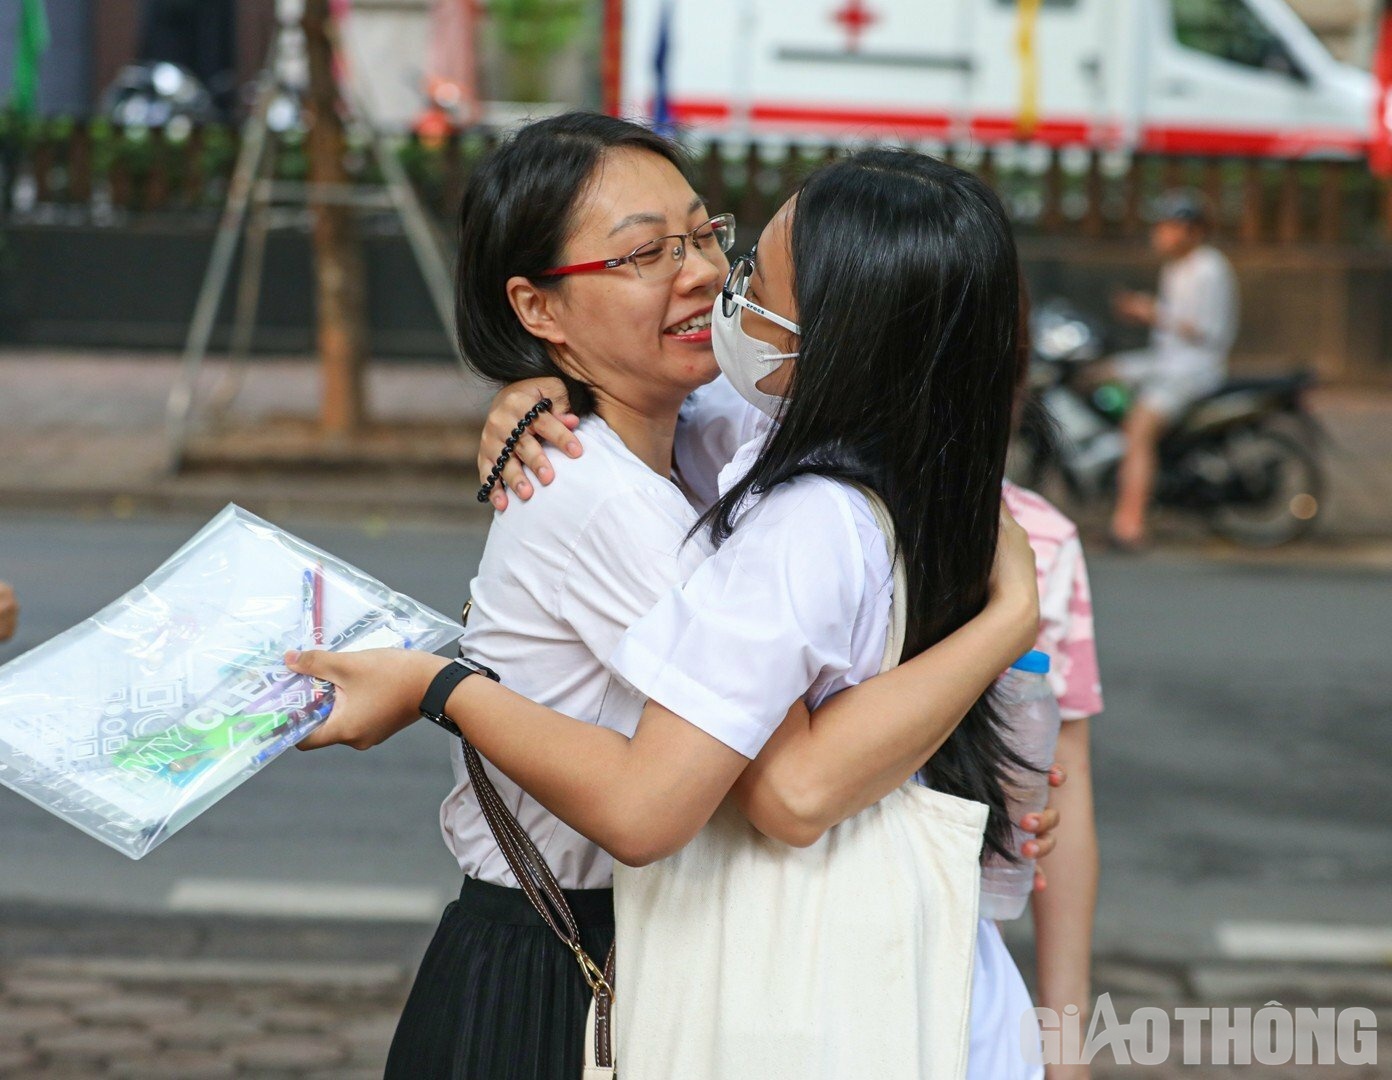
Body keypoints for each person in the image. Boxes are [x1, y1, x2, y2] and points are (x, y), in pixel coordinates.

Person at [289, 127, 1050, 1078]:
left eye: (704, 236)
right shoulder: (604, 493)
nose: (704, 276)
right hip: (563, 969)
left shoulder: (708, 434)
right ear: (537, 304)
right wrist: (432, 685)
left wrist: (536, 382)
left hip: (643, 944)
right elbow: (768, 783)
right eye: (645, 252)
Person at [1108, 189, 1238, 548]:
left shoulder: (1209, 268)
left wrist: (1150, 311)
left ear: (1192, 230)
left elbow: (1203, 330)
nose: (1160, 234)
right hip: (1167, 362)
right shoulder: (1176, 269)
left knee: (1138, 428)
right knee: (1101, 373)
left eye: (1168, 226)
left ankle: (1130, 522)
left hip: (1194, 369)